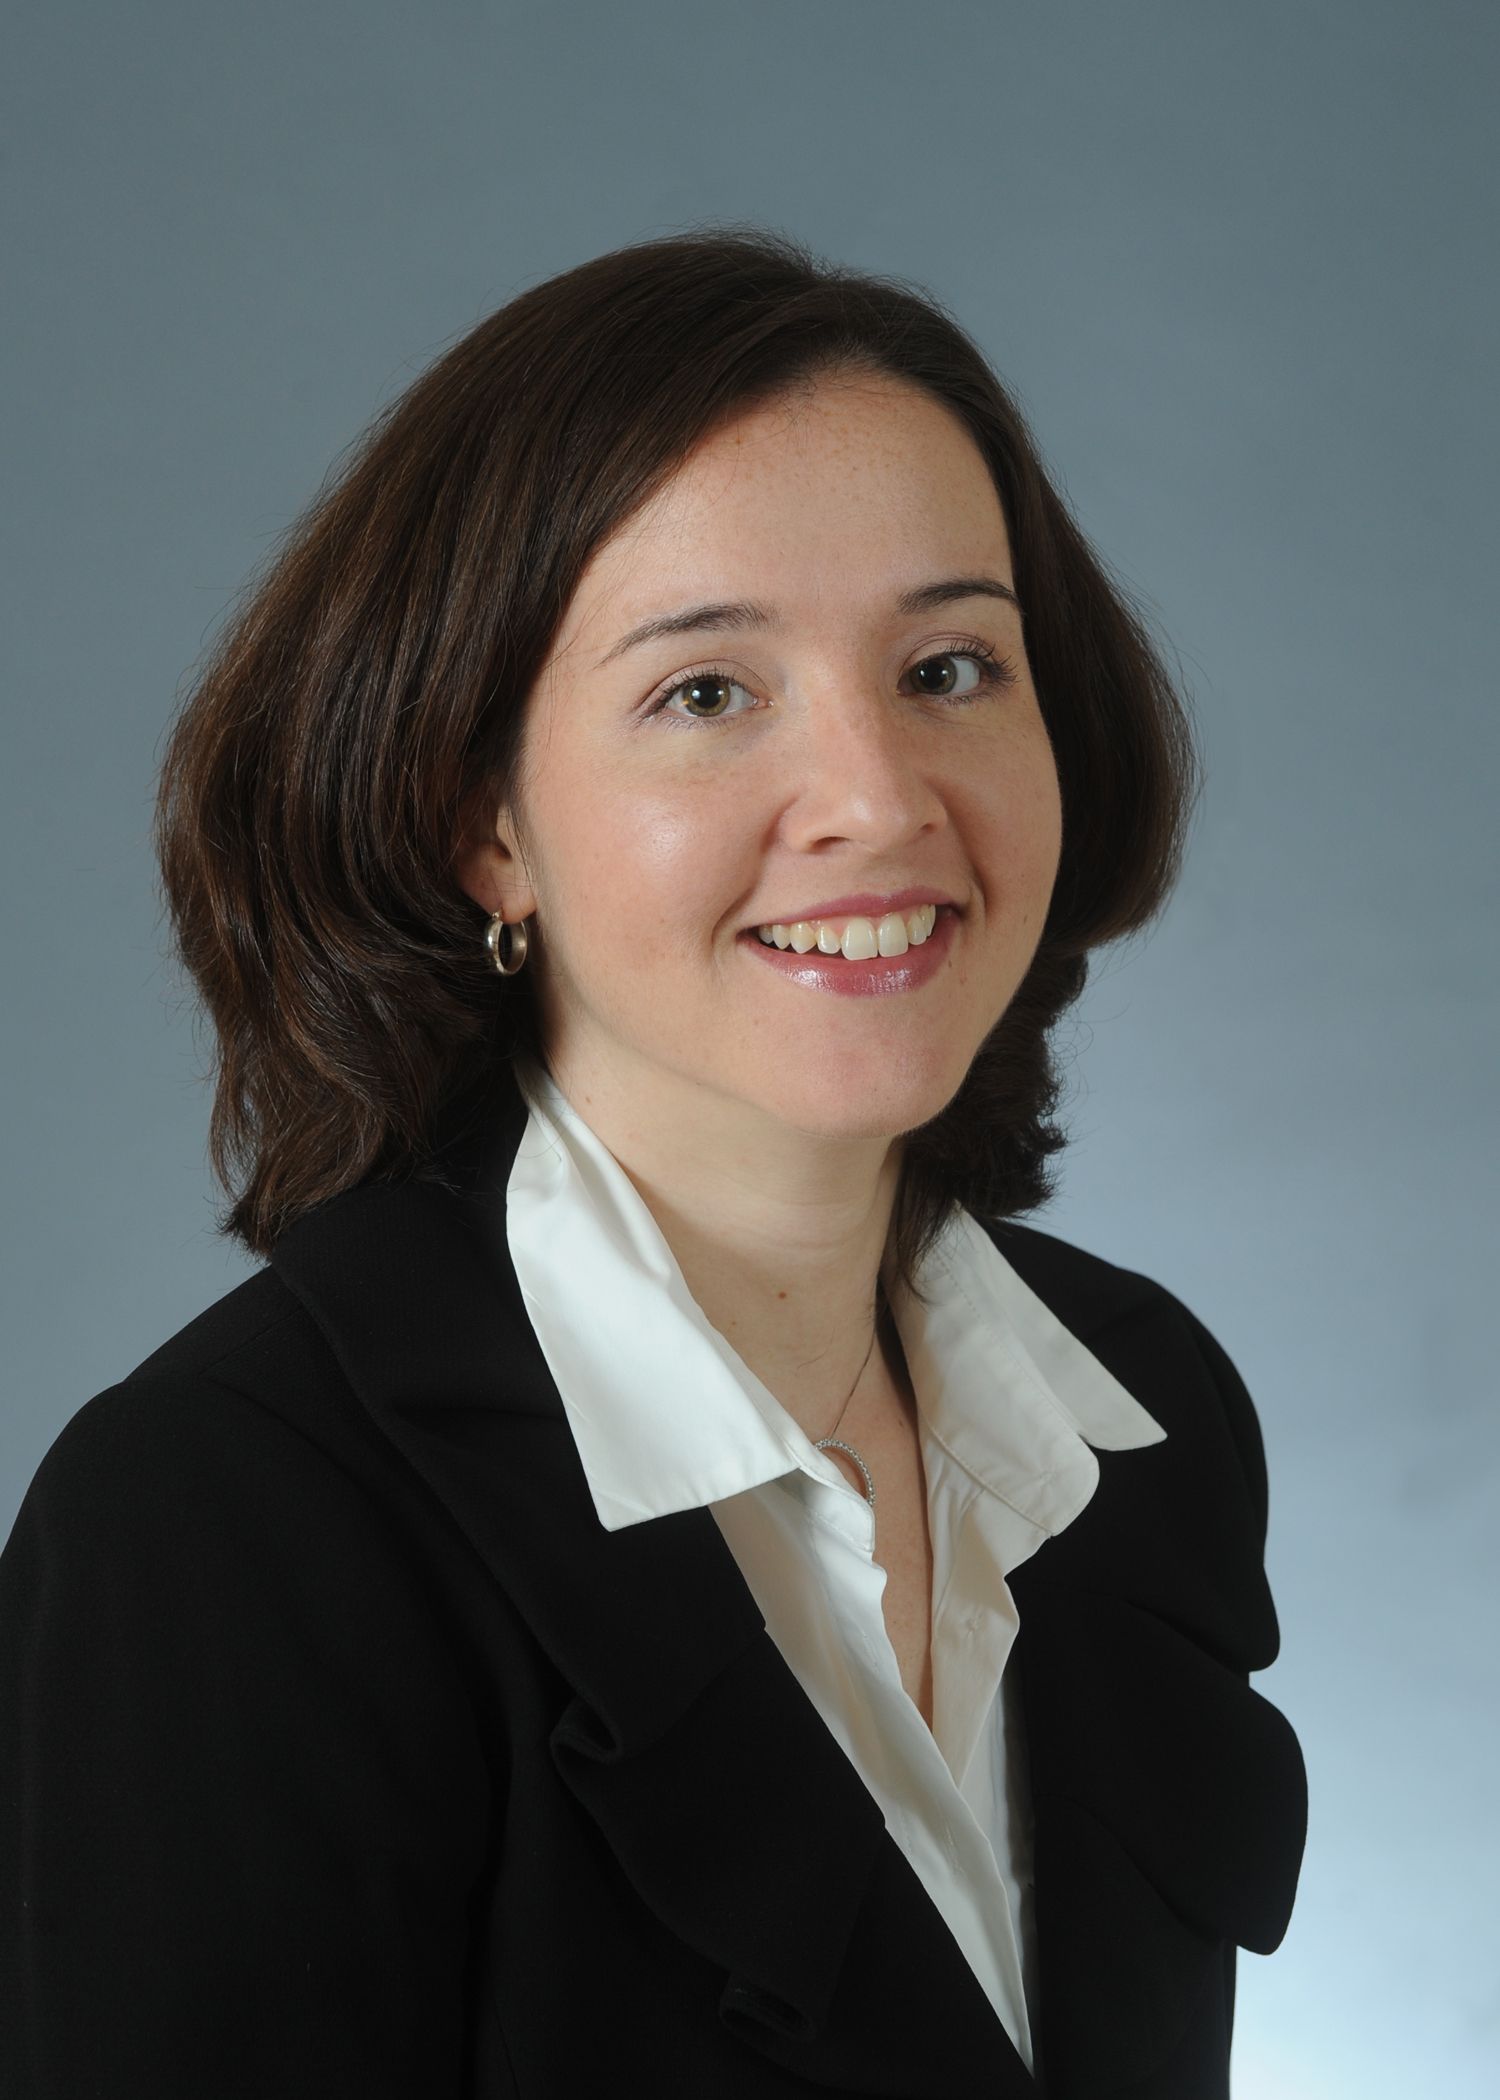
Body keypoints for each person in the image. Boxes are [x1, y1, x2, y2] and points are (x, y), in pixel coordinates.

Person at [0, 226, 1307, 2097]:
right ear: (482, 828)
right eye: (709, 693)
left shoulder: (1145, 1421)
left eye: (952, 665)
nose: (877, 797)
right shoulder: (228, 1527)